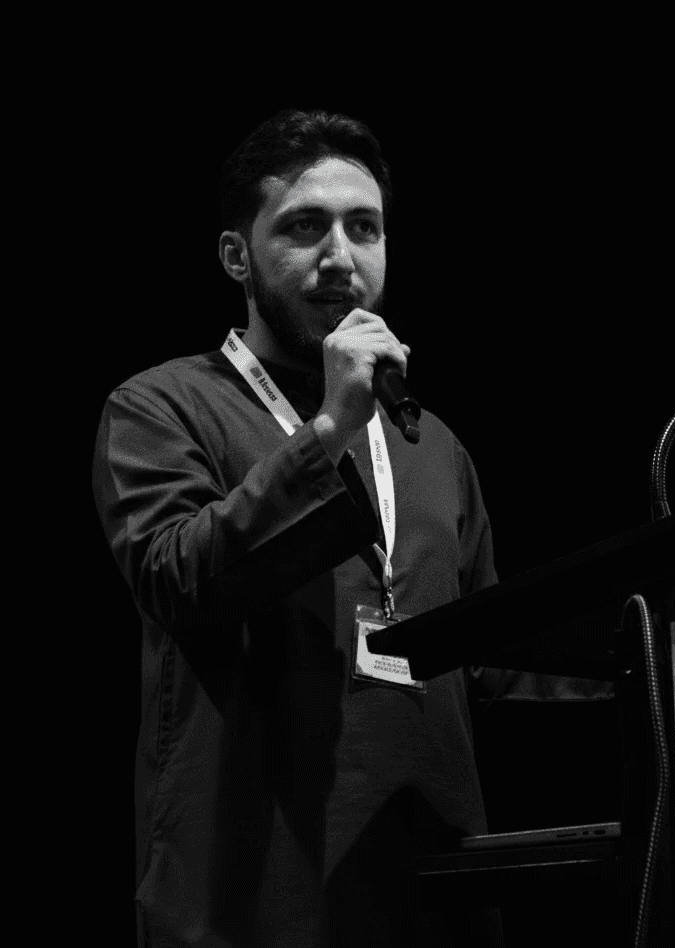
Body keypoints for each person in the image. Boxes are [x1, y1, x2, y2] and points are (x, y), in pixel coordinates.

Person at [92, 108, 504, 947]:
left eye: (364, 228)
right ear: (235, 255)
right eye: (304, 226)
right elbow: (178, 580)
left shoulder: (432, 443)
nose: (340, 257)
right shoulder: (161, 405)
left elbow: (492, 661)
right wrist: (329, 430)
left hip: (431, 884)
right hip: (254, 889)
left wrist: (660, 623)